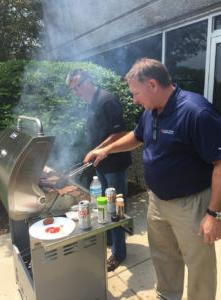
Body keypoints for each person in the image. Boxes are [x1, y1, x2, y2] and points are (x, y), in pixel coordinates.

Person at [84, 58, 221, 300]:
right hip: (157, 201)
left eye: (136, 93)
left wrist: (214, 214)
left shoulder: (196, 112)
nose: (134, 99)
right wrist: (106, 150)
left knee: (199, 265)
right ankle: (167, 295)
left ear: (153, 84)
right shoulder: (151, 111)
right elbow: (137, 137)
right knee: (163, 255)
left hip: (191, 204)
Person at [66, 68, 132, 272]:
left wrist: (96, 150)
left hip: (115, 164)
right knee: (104, 205)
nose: (76, 92)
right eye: (72, 89)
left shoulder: (107, 100)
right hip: (101, 164)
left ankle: (119, 253)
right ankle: (111, 238)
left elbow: (120, 133)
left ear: (88, 80)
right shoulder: (89, 102)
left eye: (77, 86)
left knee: (117, 210)